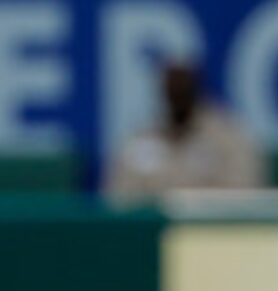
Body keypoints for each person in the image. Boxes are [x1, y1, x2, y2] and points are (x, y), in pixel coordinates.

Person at [105, 58, 263, 200]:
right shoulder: (140, 141)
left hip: (208, 229)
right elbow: (119, 200)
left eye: (183, 86)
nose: (177, 92)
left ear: (196, 89)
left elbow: (244, 199)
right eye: (172, 86)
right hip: (153, 229)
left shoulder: (229, 138)